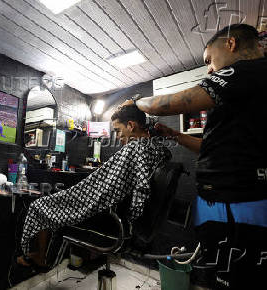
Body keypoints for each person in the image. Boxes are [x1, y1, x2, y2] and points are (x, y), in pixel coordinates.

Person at [120, 24, 267, 289]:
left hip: (236, 204)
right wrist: (174, 135)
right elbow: (210, 148)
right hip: (227, 202)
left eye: (209, 59)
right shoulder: (247, 92)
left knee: (232, 280)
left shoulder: (247, 70)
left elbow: (174, 102)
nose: (209, 69)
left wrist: (136, 103)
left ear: (231, 44)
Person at [18, 105, 172, 268]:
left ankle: (40, 257)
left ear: (131, 126)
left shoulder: (135, 148)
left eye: (118, 130)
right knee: (52, 202)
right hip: (113, 210)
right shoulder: (157, 150)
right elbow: (137, 184)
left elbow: (134, 187)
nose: (118, 137)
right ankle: (43, 255)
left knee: (39, 205)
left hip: (106, 214)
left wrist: (133, 220)